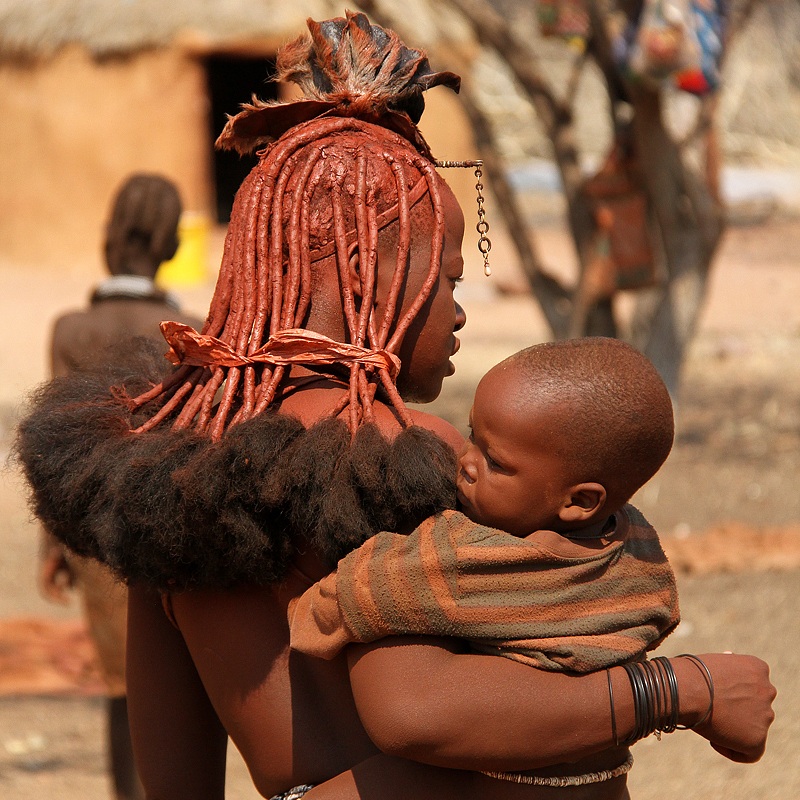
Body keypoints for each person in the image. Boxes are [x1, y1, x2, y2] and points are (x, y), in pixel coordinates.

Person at [16, 13, 775, 800]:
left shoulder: (173, 459)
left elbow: (173, 775)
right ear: (365, 270)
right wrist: (677, 691)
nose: (457, 312)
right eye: (445, 280)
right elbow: (426, 714)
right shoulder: (407, 457)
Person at [290, 337, 681, 795]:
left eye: (494, 462)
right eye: (472, 435)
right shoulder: (638, 544)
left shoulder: (470, 558)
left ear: (579, 501)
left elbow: (374, 587)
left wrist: (313, 607)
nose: (465, 462)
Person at [37, 173, 203, 800]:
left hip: (91, 530)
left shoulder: (69, 329)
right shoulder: (187, 328)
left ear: (109, 235)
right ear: (167, 245)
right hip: (169, 527)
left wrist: (53, 547)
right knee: (175, 682)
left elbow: (53, 446)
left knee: (120, 686)